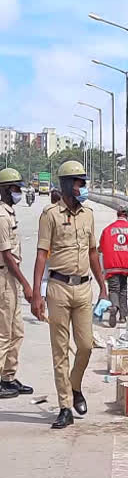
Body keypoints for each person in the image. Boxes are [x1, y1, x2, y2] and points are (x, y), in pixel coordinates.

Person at [31, 161, 108, 429]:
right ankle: (65, 405)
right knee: (60, 350)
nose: (81, 187)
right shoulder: (49, 215)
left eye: (82, 182)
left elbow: (93, 252)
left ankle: (75, 386)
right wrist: (36, 294)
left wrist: (103, 285)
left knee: (86, 346)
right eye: (77, 182)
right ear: (65, 184)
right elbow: (42, 254)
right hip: (58, 289)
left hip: (83, 288)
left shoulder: (88, 215)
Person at [0, 168, 33, 399]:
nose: (18, 192)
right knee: (3, 333)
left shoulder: (9, 213)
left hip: (12, 278)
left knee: (17, 332)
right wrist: (26, 284)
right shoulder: (2, 217)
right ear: (4, 190)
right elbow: (8, 256)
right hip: (4, 278)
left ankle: (8, 377)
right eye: (14, 188)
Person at [99, 206, 128, 327]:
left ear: (117, 214)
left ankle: (114, 306)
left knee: (114, 289)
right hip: (126, 265)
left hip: (112, 265)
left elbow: (101, 247)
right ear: (127, 215)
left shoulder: (108, 230)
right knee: (123, 288)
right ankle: (123, 316)